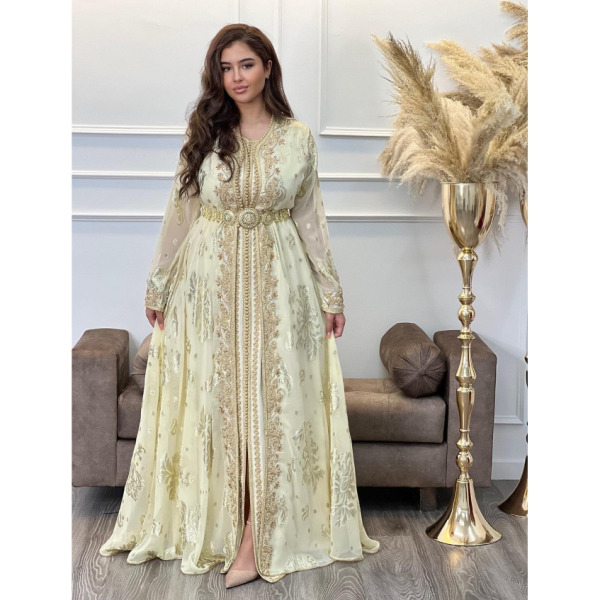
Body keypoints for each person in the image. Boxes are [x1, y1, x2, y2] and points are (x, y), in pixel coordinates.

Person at [99, 23, 380, 587]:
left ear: (268, 67)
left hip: (282, 282)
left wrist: (331, 292)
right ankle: (220, 527)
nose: (236, 78)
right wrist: (159, 285)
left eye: (246, 65)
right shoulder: (206, 132)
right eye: (225, 68)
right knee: (218, 400)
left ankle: (259, 534)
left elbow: (311, 218)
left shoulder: (298, 138)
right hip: (208, 283)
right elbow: (180, 212)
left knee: (273, 402)